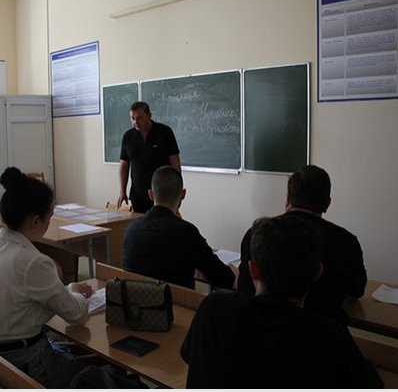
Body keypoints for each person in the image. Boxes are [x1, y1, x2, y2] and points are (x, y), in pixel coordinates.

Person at [181, 214, 380, 388]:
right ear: (317, 274)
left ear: (253, 270)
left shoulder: (212, 310)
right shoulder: (332, 339)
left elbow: (189, 356)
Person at [0, 167, 94, 388]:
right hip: (26, 360)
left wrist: (64, 290)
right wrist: (75, 291)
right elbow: (76, 314)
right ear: (36, 221)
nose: (50, 222)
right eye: (50, 216)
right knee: (96, 370)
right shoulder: (33, 262)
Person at [237, 164, 367, 324]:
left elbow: (243, 289)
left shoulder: (256, 233)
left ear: (288, 197)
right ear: (327, 203)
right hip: (321, 334)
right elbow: (356, 291)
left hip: (257, 328)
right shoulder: (347, 242)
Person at [123, 165, 235, 290]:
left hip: (135, 301)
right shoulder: (187, 233)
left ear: (150, 194)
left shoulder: (131, 230)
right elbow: (224, 279)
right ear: (183, 194)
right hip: (177, 301)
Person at [118, 101, 181, 213]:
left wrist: (177, 191)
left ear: (149, 116)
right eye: (132, 118)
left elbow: (175, 162)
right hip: (138, 195)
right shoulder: (128, 137)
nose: (135, 122)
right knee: (141, 223)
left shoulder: (165, 132)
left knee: (163, 223)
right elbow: (124, 166)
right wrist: (122, 191)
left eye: (139, 118)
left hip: (162, 195)